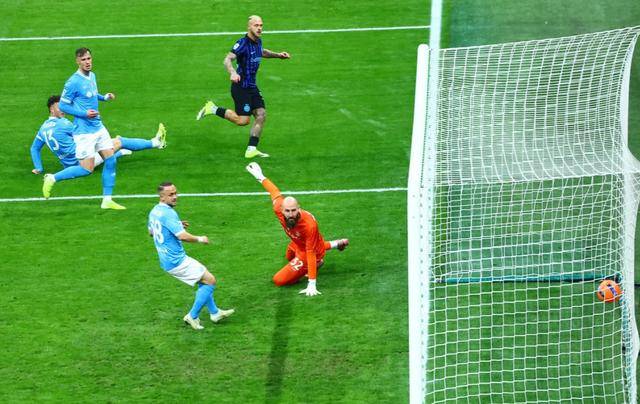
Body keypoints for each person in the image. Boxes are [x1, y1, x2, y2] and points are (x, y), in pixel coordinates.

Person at [32, 96, 167, 198]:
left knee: (106, 144)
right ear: (51, 109)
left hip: (68, 164)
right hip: (81, 159)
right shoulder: (64, 124)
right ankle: (156, 142)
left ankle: (119, 152)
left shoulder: (43, 128)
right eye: (59, 107)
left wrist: (39, 168)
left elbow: (34, 148)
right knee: (119, 141)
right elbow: (82, 134)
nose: (63, 109)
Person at [245, 162, 349, 296]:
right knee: (289, 256)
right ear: (282, 210)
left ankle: (318, 262)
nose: (291, 214)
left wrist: (312, 284)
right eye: (287, 211)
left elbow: (310, 252)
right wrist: (259, 175)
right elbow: (274, 192)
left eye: (294, 210)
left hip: (309, 251)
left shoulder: (309, 225)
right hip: (299, 243)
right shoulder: (278, 208)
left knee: (278, 280)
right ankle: (336, 243)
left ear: (298, 208)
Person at [196, 15, 290, 159]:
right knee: (243, 121)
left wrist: (278, 55)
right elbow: (227, 59)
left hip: (252, 86)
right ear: (249, 27)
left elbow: (262, 52)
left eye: (261, 25)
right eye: (256, 25)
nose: (259, 28)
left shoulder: (258, 41)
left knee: (261, 114)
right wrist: (233, 72)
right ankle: (212, 108)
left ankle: (251, 149)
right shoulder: (242, 43)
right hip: (240, 87)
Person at [148, 182, 234, 330]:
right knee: (210, 281)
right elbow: (182, 236)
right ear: (162, 197)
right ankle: (192, 316)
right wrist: (200, 239)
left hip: (167, 260)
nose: (175, 197)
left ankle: (215, 313)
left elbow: (151, 232)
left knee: (203, 279)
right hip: (176, 261)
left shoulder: (154, 211)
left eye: (175, 193)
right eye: (171, 195)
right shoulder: (169, 213)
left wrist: (176, 224)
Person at [58, 47, 125, 209]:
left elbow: (92, 94)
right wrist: (84, 113)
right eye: (83, 60)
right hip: (84, 132)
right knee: (86, 170)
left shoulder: (92, 76)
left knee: (111, 159)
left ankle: (107, 200)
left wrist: (104, 97)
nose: (87, 62)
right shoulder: (73, 82)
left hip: (97, 126)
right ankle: (52, 178)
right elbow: (62, 106)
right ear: (77, 61)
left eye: (89, 59)